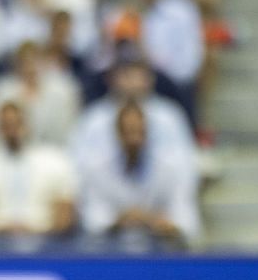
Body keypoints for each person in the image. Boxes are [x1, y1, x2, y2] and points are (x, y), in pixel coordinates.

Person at [77, 100, 201, 246]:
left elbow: (186, 217)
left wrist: (157, 222)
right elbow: (93, 217)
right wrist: (120, 220)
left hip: (161, 250)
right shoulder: (98, 170)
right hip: (110, 250)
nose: (133, 140)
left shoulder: (170, 169)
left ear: (147, 132)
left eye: (138, 132)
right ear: (117, 133)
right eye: (127, 132)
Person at [0, 98, 78, 238]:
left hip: (43, 242)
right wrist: (0, 230)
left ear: (29, 124)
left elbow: (64, 217)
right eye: (6, 125)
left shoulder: (56, 161)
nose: (12, 131)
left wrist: (35, 231)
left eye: (17, 123)